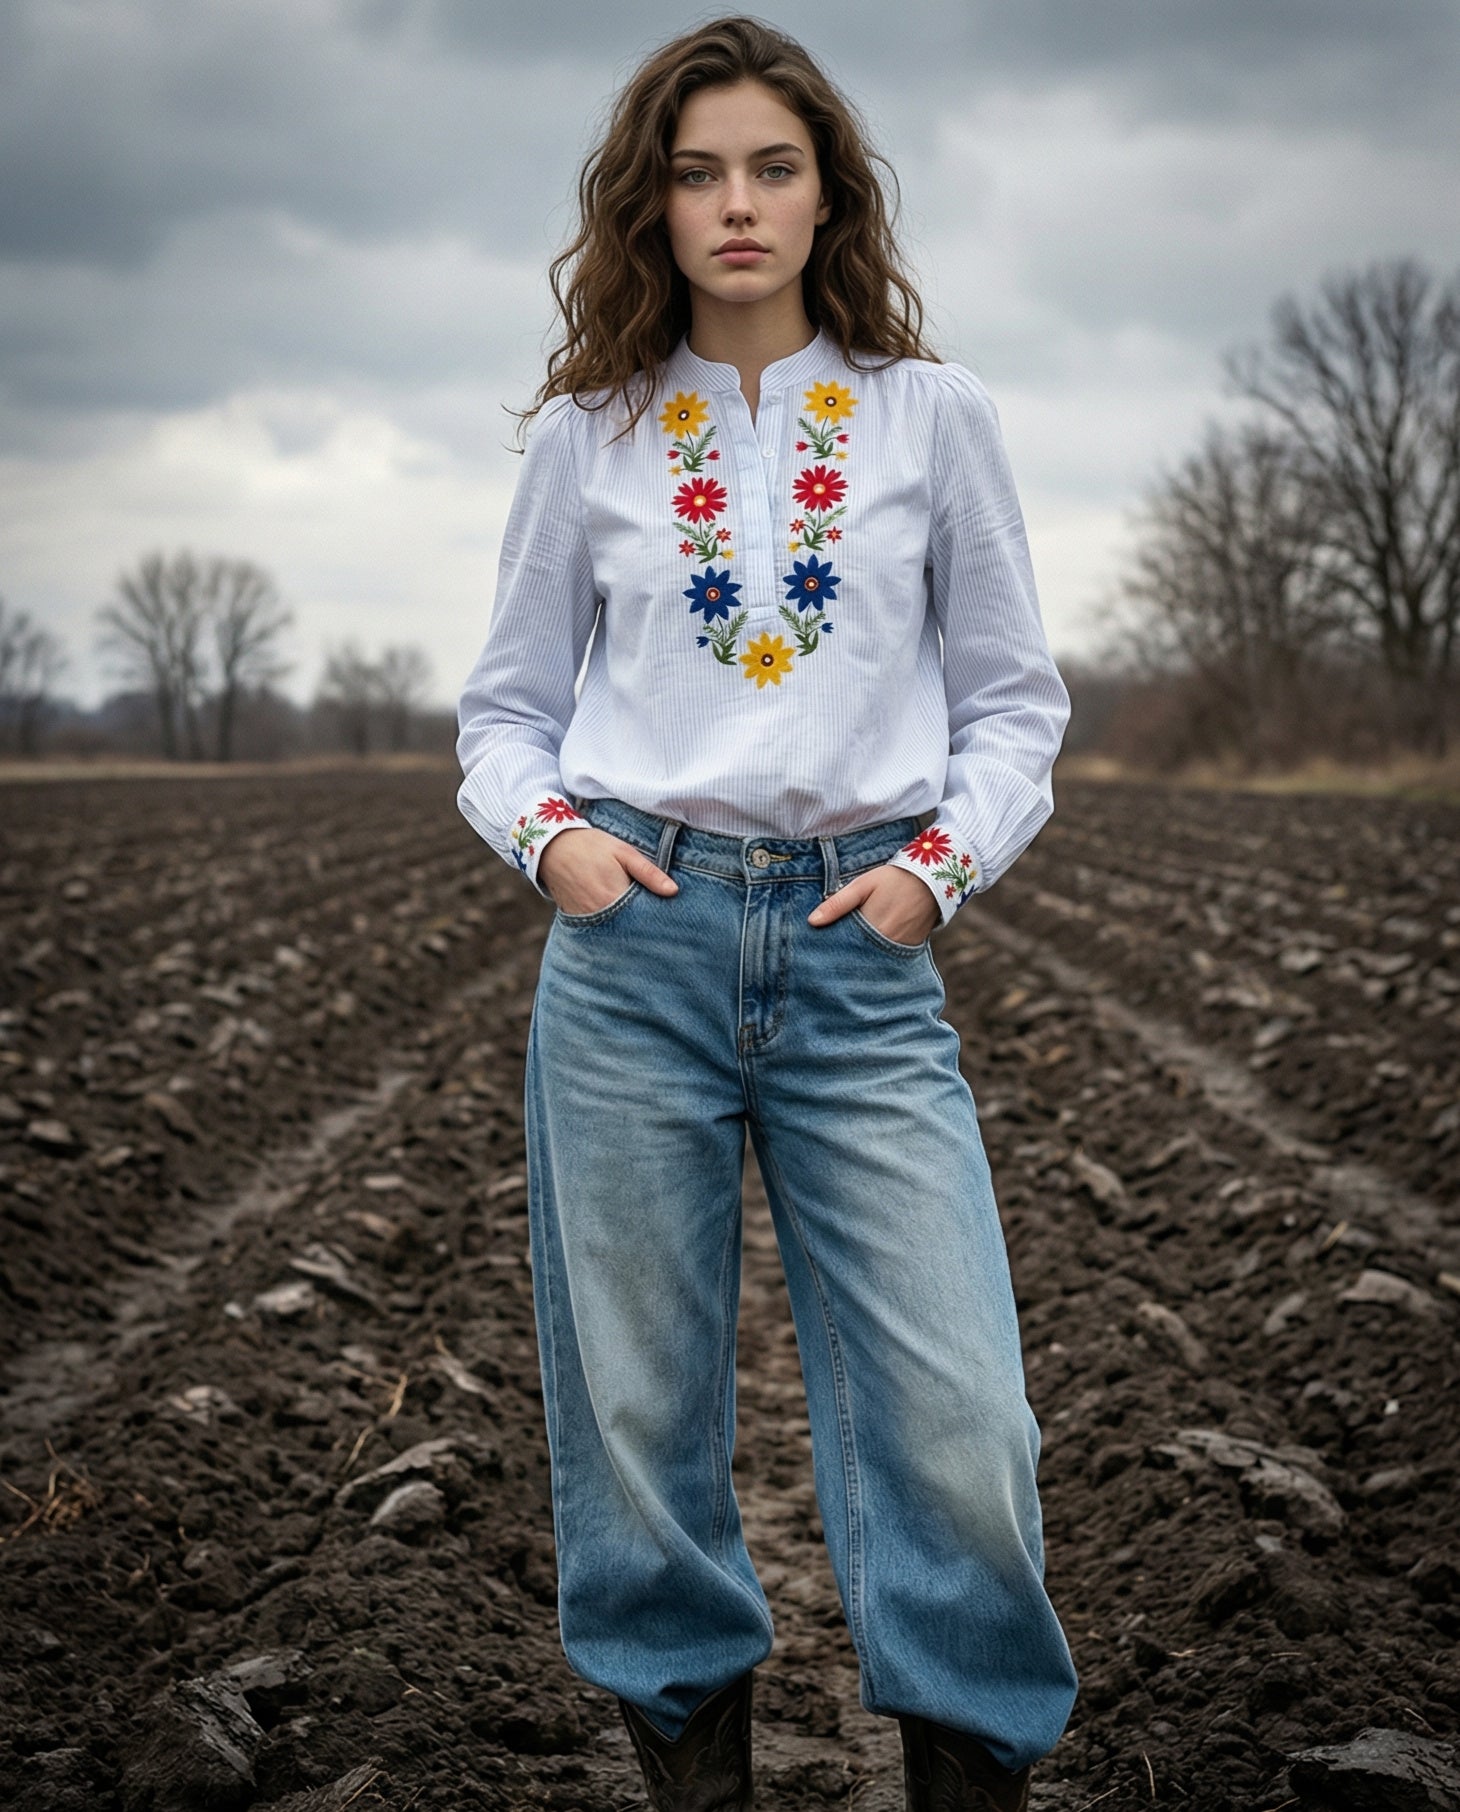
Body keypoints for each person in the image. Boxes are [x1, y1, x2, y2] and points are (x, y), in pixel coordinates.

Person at [456, 17, 1080, 1811]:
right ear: (650, 205)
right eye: (699, 169)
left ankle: (969, 1769)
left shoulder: (930, 416)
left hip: (856, 957)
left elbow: (1014, 703)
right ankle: (690, 1776)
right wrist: (554, 842)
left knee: (963, 1416)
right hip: (630, 950)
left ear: (829, 196)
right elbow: (503, 714)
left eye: (775, 167)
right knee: (639, 1417)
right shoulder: (588, 434)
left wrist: (933, 872)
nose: (738, 203)